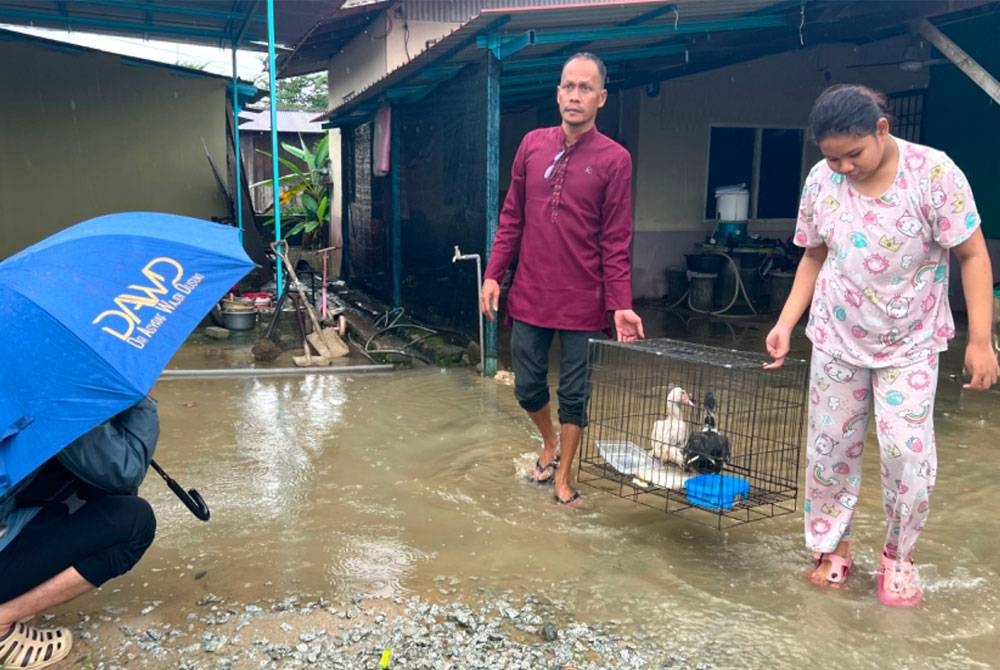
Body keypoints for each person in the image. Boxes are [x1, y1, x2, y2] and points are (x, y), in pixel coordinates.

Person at [764, 84, 998, 607]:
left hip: (911, 342)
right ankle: (832, 548)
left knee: (908, 454)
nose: (844, 167)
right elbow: (813, 257)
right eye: (832, 157)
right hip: (836, 337)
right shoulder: (822, 180)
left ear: (882, 130)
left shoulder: (934, 174)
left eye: (854, 154)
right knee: (829, 450)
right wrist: (785, 322)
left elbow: (974, 256)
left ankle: (898, 557)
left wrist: (981, 341)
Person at [481, 52, 644, 508]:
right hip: (531, 292)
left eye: (585, 88)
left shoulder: (615, 160)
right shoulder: (532, 144)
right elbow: (511, 217)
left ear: (601, 98)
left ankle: (564, 476)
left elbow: (616, 238)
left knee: (575, 393)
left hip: (584, 300)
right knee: (527, 386)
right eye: (568, 86)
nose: (575, 95)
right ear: (557, 93)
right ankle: (549, 442)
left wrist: (620, 303)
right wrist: (495, 273)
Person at [0, 397, 159, 668]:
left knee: (77, 481)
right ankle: (2, 622)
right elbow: (124, 470)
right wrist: (144, 401)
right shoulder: (44, 387)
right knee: (133, 523)